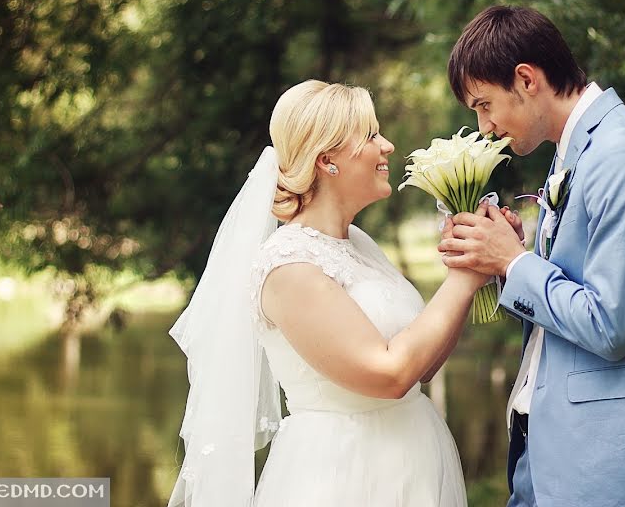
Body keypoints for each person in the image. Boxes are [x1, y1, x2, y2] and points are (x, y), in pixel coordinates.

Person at [168, 80, 504, 507]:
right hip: (344, 473)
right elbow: (388, 375)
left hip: (413, 457)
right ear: (327, 160)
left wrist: (470, 262)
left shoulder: (358, 244)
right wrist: (466, 276)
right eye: (370, 136)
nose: (387, 145)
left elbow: (420, 368)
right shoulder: (289, 265)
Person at [438, 5, 625, 507]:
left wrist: (515, 264)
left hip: (614, 466)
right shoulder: (577, 150)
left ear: (526, 79)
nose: (484, 126)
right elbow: (571, 286)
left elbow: (610, 324)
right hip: (551, 452)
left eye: (484, 104)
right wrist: (508, 256)